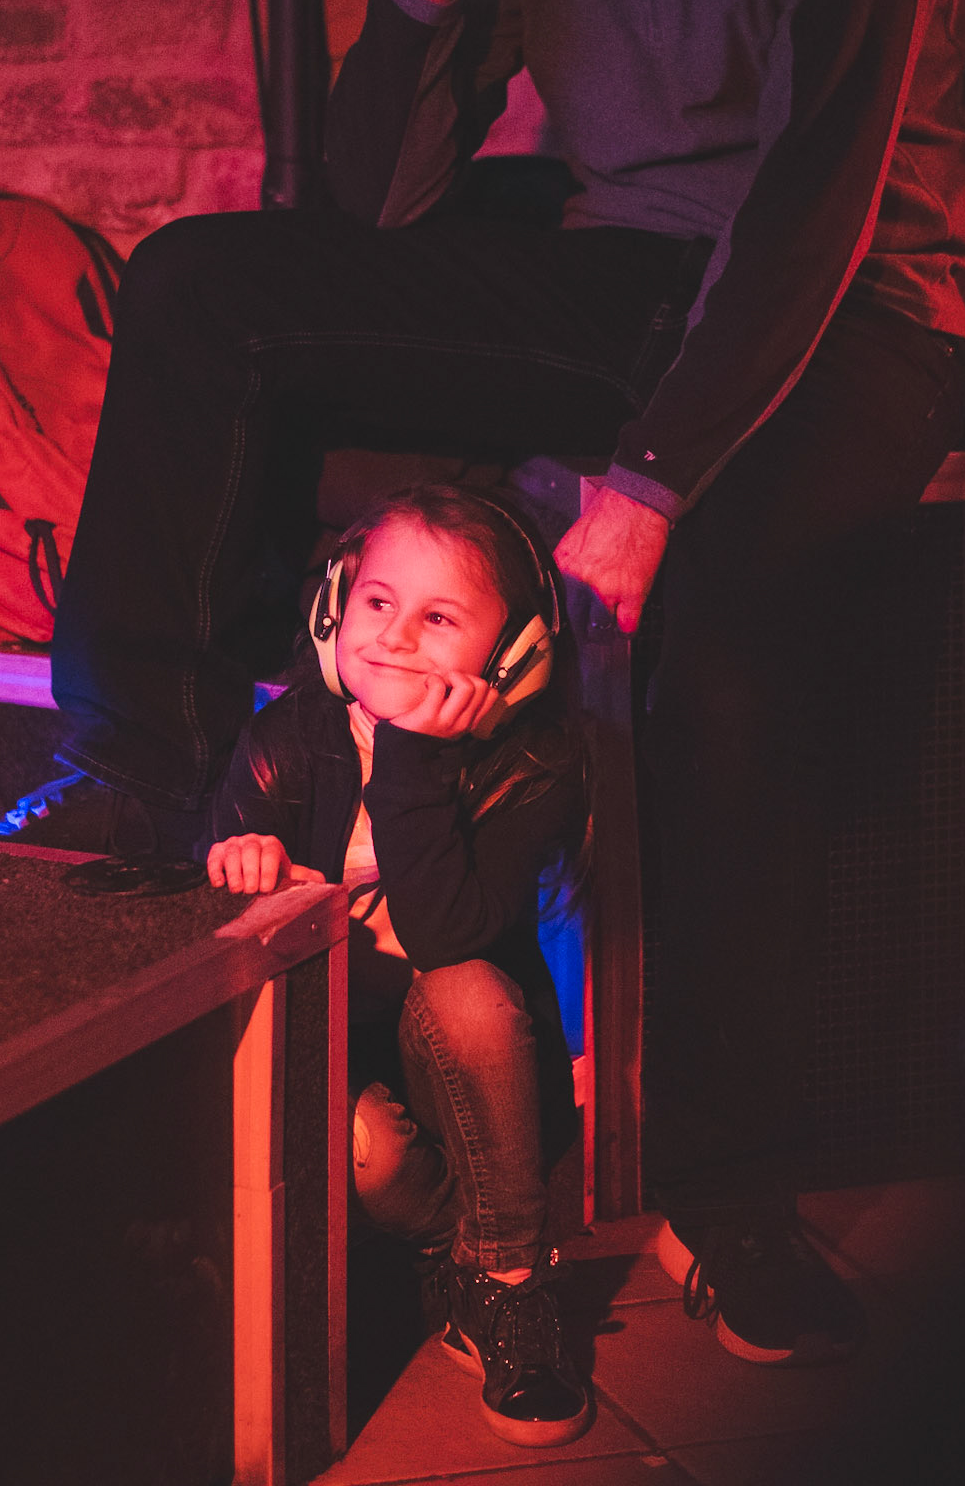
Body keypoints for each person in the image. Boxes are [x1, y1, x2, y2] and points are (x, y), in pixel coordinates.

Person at [0, 0, 965, 1365]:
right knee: (210, 288)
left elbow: (820, 195)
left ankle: (727, 1179)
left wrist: (656, 479)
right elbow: (367, 212)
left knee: (722, 641)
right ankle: (158, 769)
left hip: (854, 308)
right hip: (627, 285)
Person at [207, 484, 591, 1446]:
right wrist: (243, 871)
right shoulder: (285, 741)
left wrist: (414, 754)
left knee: (468, 991)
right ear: (334, 608)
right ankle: (452, 1257)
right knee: (365, 1151)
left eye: (439, 619)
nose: (395, 637)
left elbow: (444, 935)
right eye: (378, 602)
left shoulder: (533, 766)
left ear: (513, 660)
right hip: (342, 1060)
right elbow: (207, 931)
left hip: (471, 1065)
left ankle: (509, 1284)